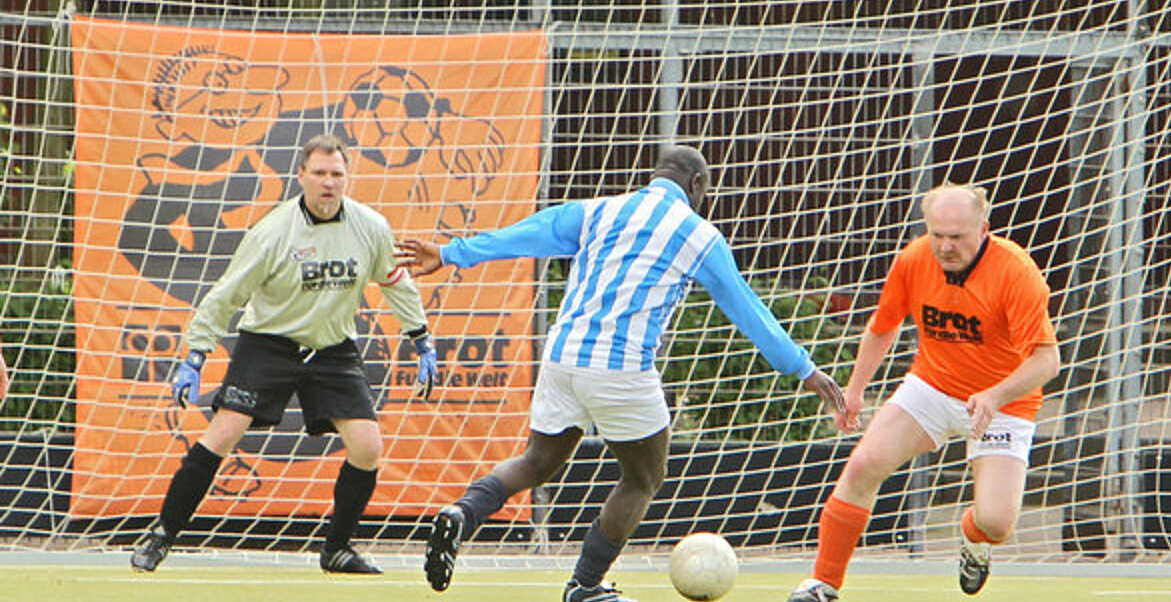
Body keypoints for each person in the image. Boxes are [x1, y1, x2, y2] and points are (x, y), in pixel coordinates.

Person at [400, 144, 846, 602]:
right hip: (620, 367)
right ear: (696, 186)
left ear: (655, 176)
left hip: (561, 357)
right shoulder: (698, 234)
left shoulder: (600, 210)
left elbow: (532, 232)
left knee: (538, 461)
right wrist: (804, 368)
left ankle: (462, 512)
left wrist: (454, 252)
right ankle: (586, 586)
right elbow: (748, 310)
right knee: (643, 478)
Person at [130, 134, 438, 574]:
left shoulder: (371, 226)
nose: (328, 183)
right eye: (319, 173)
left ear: (348, 177)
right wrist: (195, 355)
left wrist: (421, 338)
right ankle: (161, 535)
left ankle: (337, 549)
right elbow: (227, 294)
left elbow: (394, 281)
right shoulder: (272, 232)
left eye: (337, 174)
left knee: (368, 447)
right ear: (301, 176)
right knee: (223, 434)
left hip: (332, 349)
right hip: (269, 346)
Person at [787, 184, 1060, 602]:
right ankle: (823, 585)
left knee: (997, 522)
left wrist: (994, 395)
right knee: (863, 465)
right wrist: (855, 391)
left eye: (957, 236)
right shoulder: (915, 259)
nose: (945, 246)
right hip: (931, 387)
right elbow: (883, 325)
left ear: (984, 229)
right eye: (937, 235)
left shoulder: (1016, 271)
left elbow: (1047, 361)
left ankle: (973, 536)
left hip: (1003, 405)